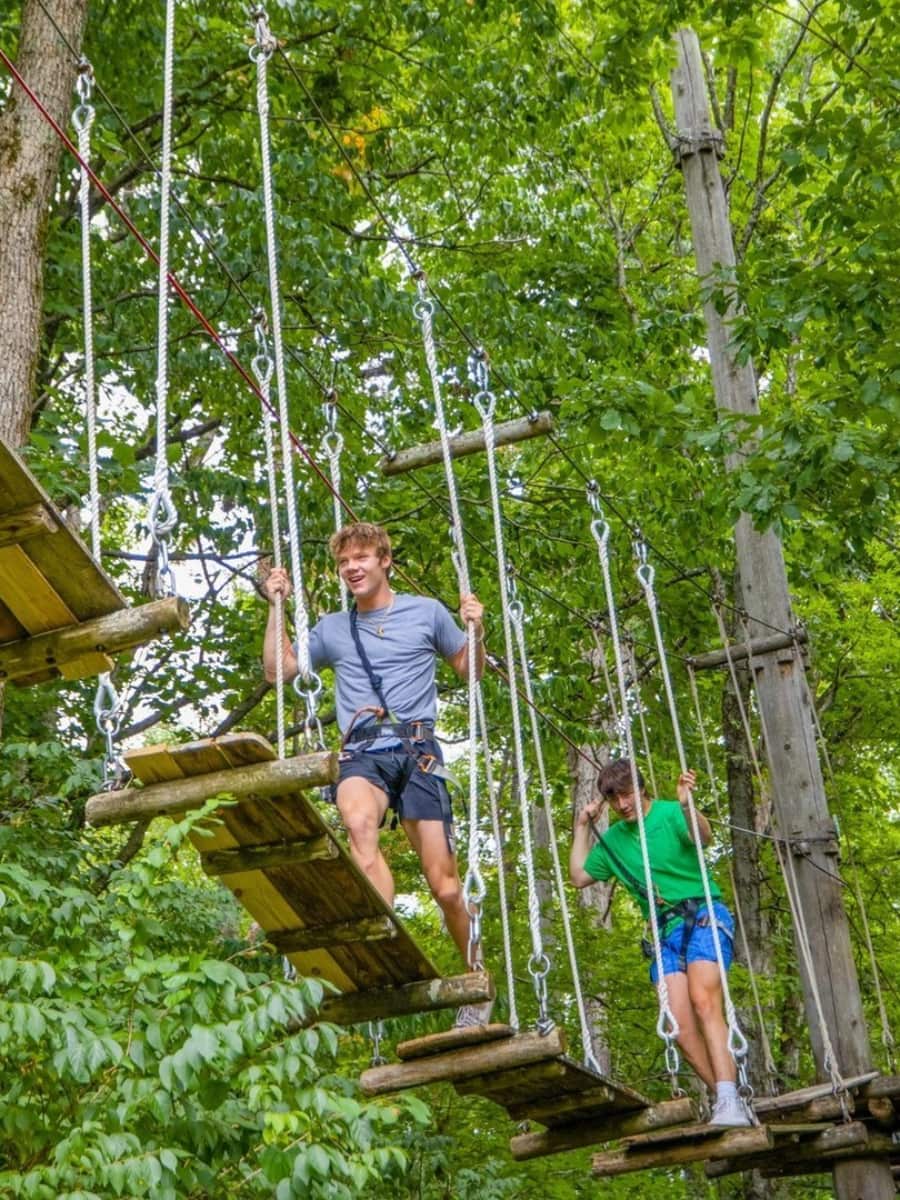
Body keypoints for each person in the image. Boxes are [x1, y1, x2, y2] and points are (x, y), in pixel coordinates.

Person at [262, 521, 491, 1028]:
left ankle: (476, 981)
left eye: (362, 558)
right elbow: (280, 671)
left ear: (385, 561)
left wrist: (476, 629)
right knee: (358, 823)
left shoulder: (426, 613)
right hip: (362, 751)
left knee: (446, 888)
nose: (352, 568)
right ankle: (381, 943)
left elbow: (469, 670)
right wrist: (276, 605)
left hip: (418, 750)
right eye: (344, 562)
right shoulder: (332, 628)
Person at [569, 758, 751, 1127]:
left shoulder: (669, 813)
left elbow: (704, 837)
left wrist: (686, 804)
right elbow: (579, 877)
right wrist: (582, 827)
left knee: (703, 1000)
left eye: (628, 794)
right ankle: (727, 1099)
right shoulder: (614, 840)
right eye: (614, 799)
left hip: (704, 914)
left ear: (642, 788)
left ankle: (730, 1097)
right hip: (666, 932)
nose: (623, 804)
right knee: (677, 1025)